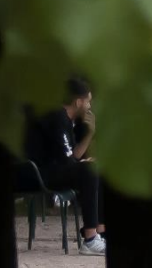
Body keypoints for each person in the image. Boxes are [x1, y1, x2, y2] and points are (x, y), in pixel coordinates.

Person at [24, 77, 104, 254]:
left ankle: (100, 233)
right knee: (89, 170)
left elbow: (72, 155)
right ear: (78, 102)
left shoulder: (67, 120)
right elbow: (68, 160)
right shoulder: (56, 117)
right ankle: (90, 240)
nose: (90, 107)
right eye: (88, 102)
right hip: (37, 173)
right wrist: (83, 163)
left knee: (97, 168)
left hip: (52, 170)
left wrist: (90, 133)